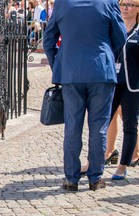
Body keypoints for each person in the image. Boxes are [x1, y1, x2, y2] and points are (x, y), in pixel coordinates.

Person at [43, 0, 126, 191]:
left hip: (71, 72)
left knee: (72, 126)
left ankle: (71, 178)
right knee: (99, 127)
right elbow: (120, 37)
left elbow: (48, 39)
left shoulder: (62, 3)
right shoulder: (108, 2)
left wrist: (58, 63)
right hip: (101, 70)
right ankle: (95, 178)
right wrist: (105, 54)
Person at [108, 0, 139, 179]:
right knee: (102, 122)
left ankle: (123, 165)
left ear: (137, 10)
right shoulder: (114, 29)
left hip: (132, 86)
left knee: (130, 124)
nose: (126, 8)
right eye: (123, 4)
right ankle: (94, 160)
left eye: (131, 5)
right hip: (112, 82)